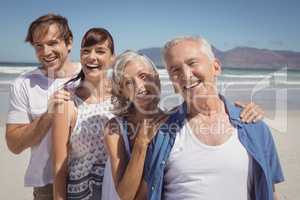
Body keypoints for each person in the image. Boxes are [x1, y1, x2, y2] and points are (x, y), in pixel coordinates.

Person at [102, 50, 265, 200]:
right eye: (128, 83)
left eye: (143, 76)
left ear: (156, 78)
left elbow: (205, 108)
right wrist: (141, 143)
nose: (139, 87)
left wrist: (239, 111)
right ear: (122, 91)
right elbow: (125, 195)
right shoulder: (116, 128)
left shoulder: (171, 120)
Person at [142, 36, 284, 200]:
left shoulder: (254, 126)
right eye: (175, 70)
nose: (186, 75)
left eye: (192, 63)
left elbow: (270, 192)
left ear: (216, 67)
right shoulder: (161, 132)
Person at [5, 14, 80, 200]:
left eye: (53, 43)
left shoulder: (91, 76)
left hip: (92, 177)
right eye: (39, 45)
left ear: (69, 42)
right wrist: (48, 115)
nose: (46, 52)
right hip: (48, 185)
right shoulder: (23, 84)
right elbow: (14, 145)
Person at [52, 28, 115, 200]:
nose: (91, 57)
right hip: (80, 195)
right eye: (86, 51)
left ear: (112, 58)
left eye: (100, 51)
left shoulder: (123, 98)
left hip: (116, 192)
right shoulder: (67, 102)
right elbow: (59, 167)